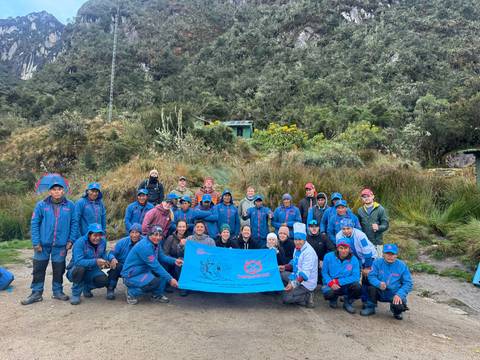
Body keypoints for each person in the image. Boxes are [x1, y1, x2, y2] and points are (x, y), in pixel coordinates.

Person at [21, 179, 76, 305]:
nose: (57, 192)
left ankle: (57, 291)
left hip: (61, 245)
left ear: (63, 191)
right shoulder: (41, 205)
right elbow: (34, 223)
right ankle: (36, 292)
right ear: (50, 191)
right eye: (54, 189)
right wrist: (36, 242)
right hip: (42, 244)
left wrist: (71, 240)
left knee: (58, 269)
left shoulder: (70, 205)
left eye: (59, 189)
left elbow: (74, 223)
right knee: (39, 268)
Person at [121, 226, 183, 304]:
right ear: (149, 235)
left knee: (163, 271)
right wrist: (170, 279)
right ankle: (131, 292)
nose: (158, 237)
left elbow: (162, 256)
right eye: (155, 235)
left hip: (144, 270)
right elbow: (155, 266)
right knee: (154, 281)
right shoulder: (145, 246)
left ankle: (157, 295)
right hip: (132, 274)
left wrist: (174, 261)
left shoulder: (156, 243)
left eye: (160, 235)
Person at [67, 223, 118, 305]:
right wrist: (96, 261)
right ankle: (76, 294)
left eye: (99, 235)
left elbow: (104, 253)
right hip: (75, 269)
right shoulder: (80, 243)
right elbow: (78, 261)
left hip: (92, 269)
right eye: (95, 235)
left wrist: (111, 258)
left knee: (104, 279)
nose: (97, 238)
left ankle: (87, 287)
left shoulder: (103, 242)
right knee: (80, 269)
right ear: (89, 234)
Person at [361, 244, 413, 320]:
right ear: (383, 254)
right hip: (380, 290)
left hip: (394, 293)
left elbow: (408, 283)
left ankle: (396, 311)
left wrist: (399, 294)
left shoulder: (402, 265)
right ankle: (370, 307)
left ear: (396, 255)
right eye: (388, 254)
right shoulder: (377, 262)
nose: (390, 256)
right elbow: (371, 276)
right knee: (371, 287)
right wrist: (378, 283)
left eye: (393, 254)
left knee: (400, 304)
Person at [280, 222, 318, 308]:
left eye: (300, 240)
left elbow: (304, 275)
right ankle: (295, 292)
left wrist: (293, 284)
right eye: (296, 239)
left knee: (286, 298)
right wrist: (285, 267)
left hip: (306, 282)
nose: (297, 242)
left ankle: (307, 295)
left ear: (304, 240)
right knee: (281, 274)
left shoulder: (309, 253)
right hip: (296, 274)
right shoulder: (297, 248)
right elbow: (294, 261)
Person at [321, 240, 361, 314]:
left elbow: (356, 277)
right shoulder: (328, 256)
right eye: (341, 248)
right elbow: (324, 272)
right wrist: (330, 283)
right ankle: (333, 298)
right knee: (328, 293)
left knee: (357, 287)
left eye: (346, 248)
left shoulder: (354, 259)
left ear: (349, 249)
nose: (343, 251)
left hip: (346, 284)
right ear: (337, 248)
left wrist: (338, 282)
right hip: (332, 282)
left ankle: (347, 301)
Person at [106, 223, 143, 300]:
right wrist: (112, 258)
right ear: (129, 233)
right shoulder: (122, 242)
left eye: (137, 232)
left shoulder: (144, 242)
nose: (134, 235)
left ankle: (133, 289)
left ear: (140, 233)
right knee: (115, 265)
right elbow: (110, 254)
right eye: (132, 232)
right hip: (122, 266)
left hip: (136, 267)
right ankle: (110, 288)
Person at [357, 188, 389, 256]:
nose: (366, 198)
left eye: (368, 196)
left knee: (378, 261)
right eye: (364, 197)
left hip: (377, 241)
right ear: (362, 199)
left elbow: (385, 224)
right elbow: (358, 226)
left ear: (373, 196)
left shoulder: (380, 209)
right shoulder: (360, 210)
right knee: (367, 260)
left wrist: (379, 227)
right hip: (365, 241)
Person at [163, 220, 189, 296]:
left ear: (186, 227)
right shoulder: (170, 238)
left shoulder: (189, 238)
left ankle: (183, 285)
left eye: (183, 227)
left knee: (182, 261)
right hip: (172, 260)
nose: (182, 229)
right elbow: (165, 253)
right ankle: (167, 284)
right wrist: (173, 260)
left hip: (183, 261)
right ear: (176, 227)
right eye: (180, 227)